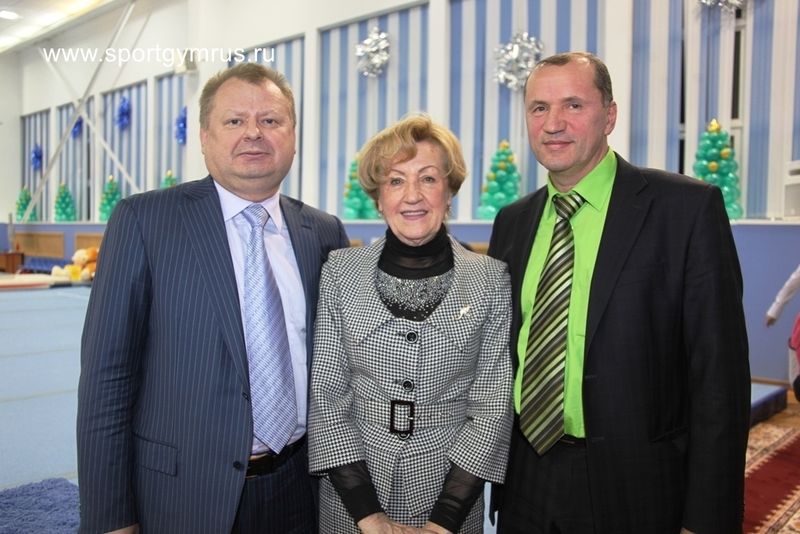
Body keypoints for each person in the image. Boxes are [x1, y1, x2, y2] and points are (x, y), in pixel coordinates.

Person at [77, 62, 349, 534]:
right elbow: (107, 379)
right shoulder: (145, 221)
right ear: (204, 137)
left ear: (293, 136)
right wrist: (111, 517)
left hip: (301, 487)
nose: (254, 133)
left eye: (270, 120)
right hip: (184, 493)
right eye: (234, 120)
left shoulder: (323, 232)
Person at [488, 52, 750, 533]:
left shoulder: (685, 209)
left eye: (573, 105)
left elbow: (720, 378)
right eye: (539, 107)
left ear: (609, 115)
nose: (553, 123)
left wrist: (707, 518)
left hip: (639, 485)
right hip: (526, 476)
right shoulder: (513, 221)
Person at [308, 115, 514, 534]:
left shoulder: (491, 279)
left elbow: (492, 407)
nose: (413, 195)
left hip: (449, 498)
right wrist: (369, 516)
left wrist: (444, 521)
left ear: (449, 191)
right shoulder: (339, 271)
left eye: (428, 178)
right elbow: (327, 397)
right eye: (396, 181)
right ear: (378, 197)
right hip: (351, 501)